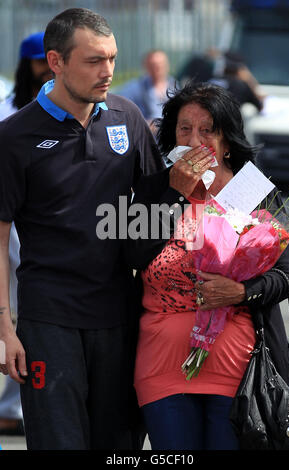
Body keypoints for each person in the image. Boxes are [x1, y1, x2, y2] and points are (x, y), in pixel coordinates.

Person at [0, 7, 168, 450]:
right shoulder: (14, 137)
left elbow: (158, 211)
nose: (108, 71)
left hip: (120, 316)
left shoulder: (127, 117)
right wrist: (4, 327)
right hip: (48, 320)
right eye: (94, 61)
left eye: (112, 58)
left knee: (119, 446)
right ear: (55, 62)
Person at [125, 83, 289, 450]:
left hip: (239, 371)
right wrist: (174, 195)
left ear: (228, 140)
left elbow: (284, 278)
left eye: (208, 130)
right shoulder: (154, 190)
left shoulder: (255, 191)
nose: (195, 139)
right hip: (162, 368)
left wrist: (242, 291)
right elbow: (132, 256)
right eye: (185, 129)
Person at [0, 31, 51, 437]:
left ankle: (15, 404)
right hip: (7, 225)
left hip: (44, 229)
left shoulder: (67, 110)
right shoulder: (6, 113)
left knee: (29, 315)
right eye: (39, 61)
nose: (45, 69)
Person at [118, 49, 176, 125]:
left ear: (167, 65)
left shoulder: (174, 85)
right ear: (146, 66)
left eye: (161, 64)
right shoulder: (135, 88)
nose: (158, 69)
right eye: (153, 65)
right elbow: (120, 110)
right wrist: (144, 125)